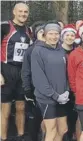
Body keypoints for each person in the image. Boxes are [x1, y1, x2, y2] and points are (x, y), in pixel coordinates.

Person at [31, 23, 69, 141]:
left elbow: (66, 73)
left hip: (62, 97)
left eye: (56, 33)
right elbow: (38, 78)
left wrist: (67, 90)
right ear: (45, 35)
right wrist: (54, 95)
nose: (54, 36)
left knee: (63, 129)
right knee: (51, 130)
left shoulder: (61, 50)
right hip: (47, 98)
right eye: (51, 34)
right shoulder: (37, 51)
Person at [1, 3, 32, 141]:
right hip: (6, 69)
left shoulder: (29, 30)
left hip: (22, 71)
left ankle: (20, 136)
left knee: (21, 106)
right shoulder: (4, 26)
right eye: (20, 11)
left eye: (25, 12)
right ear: (14, 12)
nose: (23, 14)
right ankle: (3, 137)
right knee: (5, 109)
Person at [21, 21, 45, 141]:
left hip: (49, 92)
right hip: (34, 90)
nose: (43, 34)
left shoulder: (55, 49)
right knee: (34, 121)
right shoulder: (30, 50)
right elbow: (25, 71)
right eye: (41, 32)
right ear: (36, 34)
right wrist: (27, 90)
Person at [60, 24, 80, 141]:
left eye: (72, 35)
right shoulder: (57, 50)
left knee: (74, 117)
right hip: (60, 88)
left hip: (74, 88)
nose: (70, 37)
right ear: (63, 36)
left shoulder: (77, 51)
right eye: (67, 35)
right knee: (61, 119)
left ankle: (72, 135)